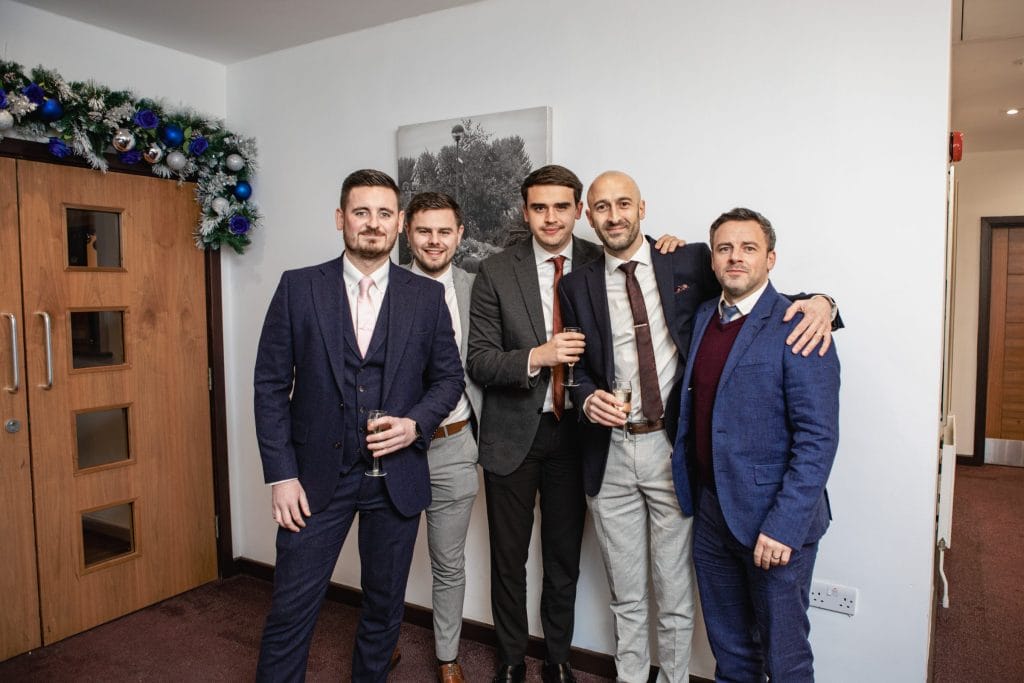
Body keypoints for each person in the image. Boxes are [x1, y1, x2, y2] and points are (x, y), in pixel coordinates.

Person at [559, 172, 835, 682]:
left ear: (643, 208)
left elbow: (761, 300)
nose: (614, 215)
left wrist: (825, 303)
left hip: (673, 456)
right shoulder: (579, 286)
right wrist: (586, 397)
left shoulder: (685, 262)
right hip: (620, 456)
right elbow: (577, 367)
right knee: (641, 600)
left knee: (691, 601)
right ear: (588, 216)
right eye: (602, 207)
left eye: (624, 203)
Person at [253, 169, 464, 682]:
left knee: (384, 609)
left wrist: (415, 425)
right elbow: (270, 386)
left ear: (399, 224)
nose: (373, 223)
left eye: (384, 213)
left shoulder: (426, 296)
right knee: (291, 610)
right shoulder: (298, 287)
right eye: (361, 212)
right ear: (340, 218)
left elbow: (449, 379)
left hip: (396, 479)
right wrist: (282, 475)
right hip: (312, 480)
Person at [672, 207, 841, 682]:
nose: (735, 258)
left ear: (770, 258)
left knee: (785, 659)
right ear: (712, 260)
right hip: (712, 515)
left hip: (775, 522)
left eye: (749, 248)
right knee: (731, 655)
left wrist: (784, 527)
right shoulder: (704, 316)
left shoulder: (800, 325)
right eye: (724, 248)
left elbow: (818, 439)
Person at [403, 191, 482, 683]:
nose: (434, 241)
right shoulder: (384, 286)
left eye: (444, 231)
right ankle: (381, 642)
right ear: (407, 233)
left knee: (448, 563)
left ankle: (448, 656)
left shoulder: (478, 287)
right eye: (424, 231)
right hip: (396, 449)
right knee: (386, 557)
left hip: (455, 444)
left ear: (459, 235)